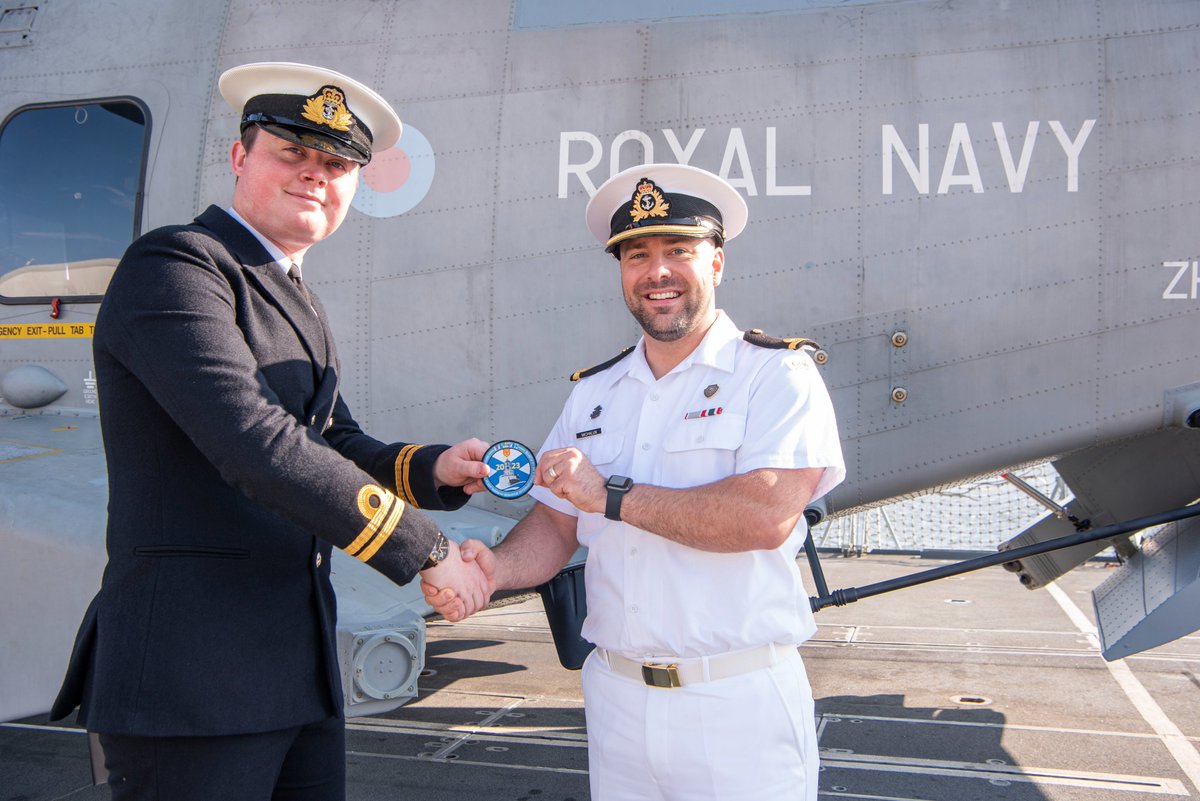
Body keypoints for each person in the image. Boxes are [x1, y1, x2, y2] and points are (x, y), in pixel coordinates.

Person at [49, 62, 492, 800]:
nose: (315, 175)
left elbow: (335, 442)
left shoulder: (294, 298)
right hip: (191, 678)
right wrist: (428, 550)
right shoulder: (177, 268)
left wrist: (437, 469)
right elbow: (256, 443)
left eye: (337, 163)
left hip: (294, 671)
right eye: (291, 152)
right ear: (239, 156)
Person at [426, 163, 845, 801]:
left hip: (734, 702)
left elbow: (766, 516)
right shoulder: (594, 393)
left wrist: (610, 496)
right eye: (637, 255)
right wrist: (495, 571)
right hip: (617, 699)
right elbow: (557, 522)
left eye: (680, 251)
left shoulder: (776, 375)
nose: (658, 272)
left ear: (717, 263)